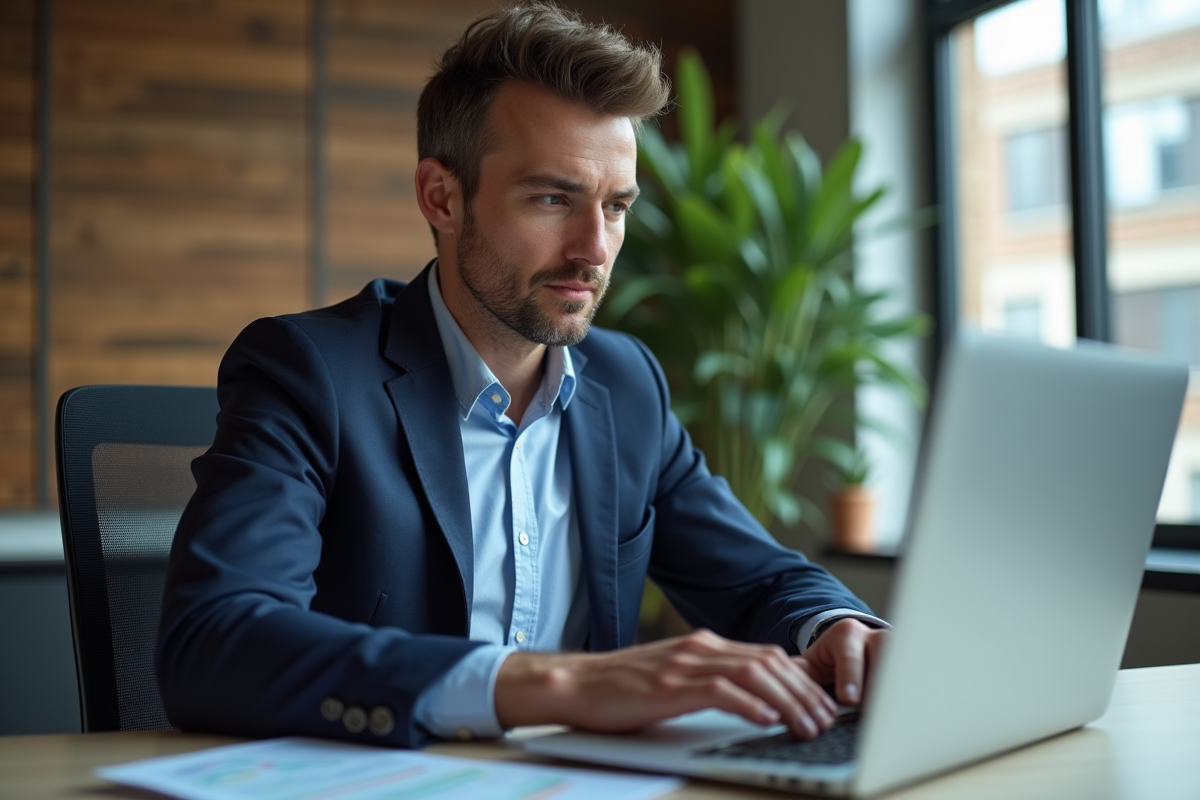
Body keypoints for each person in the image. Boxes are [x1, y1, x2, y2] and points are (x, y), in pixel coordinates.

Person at [156, 3, 888, 750]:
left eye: (616, 206)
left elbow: (760, 578)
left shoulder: (627, 385)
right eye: (552, 199)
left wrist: (840, 629)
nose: (593, 249)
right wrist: (554, 685)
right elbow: (213, 640)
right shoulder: (309, 371)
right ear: (442, 197)